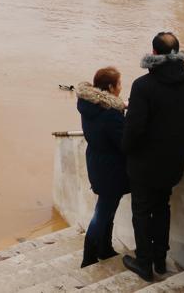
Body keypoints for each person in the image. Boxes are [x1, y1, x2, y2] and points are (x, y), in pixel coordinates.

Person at [121, 32, 184, 282]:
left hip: (143, 165)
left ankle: (144, 263)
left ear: (154, 54)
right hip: (173, 163)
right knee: (162, 207)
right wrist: (177, 145)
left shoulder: (143, 86)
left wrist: (127, 150)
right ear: (178, 52)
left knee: (141, 210)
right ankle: (160, 259)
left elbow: (133, 129)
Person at [75, 66, 129, 267]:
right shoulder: (111, 114)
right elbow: (123, 143)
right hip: (112, 168)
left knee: (108, 207)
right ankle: (89, 256)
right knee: (104, 211)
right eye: (119, 83)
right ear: (111, 87)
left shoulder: (90, 106)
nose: (121, 87)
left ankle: (105, 249)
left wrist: (120, 108)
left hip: (97, 162)